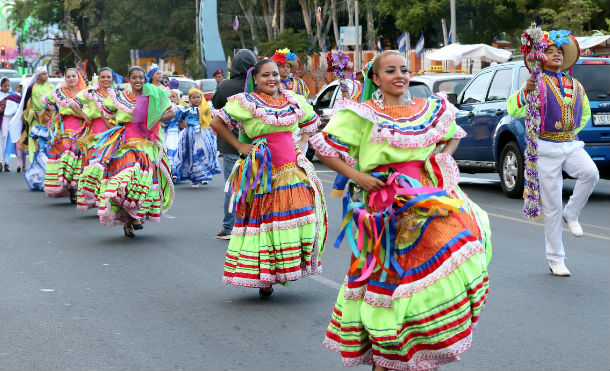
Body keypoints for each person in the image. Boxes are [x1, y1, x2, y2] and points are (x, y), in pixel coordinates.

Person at [310, 51, 491, 371]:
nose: (399, 75)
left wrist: (439, 160)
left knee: (453, 255)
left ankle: (420, 347)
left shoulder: (426, 109)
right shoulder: (361, 114)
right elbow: (324, 146)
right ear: (376, 79)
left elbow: (451, 136)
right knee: (391, 284)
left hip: (428, 202)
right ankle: (388, 355)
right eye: (390, 70)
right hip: (386, 211)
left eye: (404, 70)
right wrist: (359, 177)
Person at [210, 58, 327, 299]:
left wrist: (302, 143)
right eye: (265, 75)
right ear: (255, 78)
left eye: (275, 74)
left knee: (299, 218)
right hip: (261, 174)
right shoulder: (246, 102)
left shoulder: (293, 100)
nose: (272, 79)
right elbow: (216, 122)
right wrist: (240, 148)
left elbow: (310, 123)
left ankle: (285, 269)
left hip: (292, 170)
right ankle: (265, 279)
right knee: (265, 225)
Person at [507, 30, 598, 277]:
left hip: (570, 143)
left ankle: (573, 212)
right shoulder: (534, 82)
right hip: (545, 148)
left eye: (559, 52)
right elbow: (513, 109)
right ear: (541, 57)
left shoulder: (576, 85)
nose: (556, 55)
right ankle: (556, 259)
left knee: (591, 173)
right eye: (550, 51)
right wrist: (526, 92)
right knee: (552, 207)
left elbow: (586, 114)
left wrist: (567, 132)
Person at [95, 66, 175, 238]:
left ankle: (134, 218)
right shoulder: (119, 97)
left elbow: (171, 113)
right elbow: (105, 112)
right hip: (126, 142)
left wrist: (154, 117)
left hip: (147, 142)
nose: (138, 80)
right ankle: (130, 219)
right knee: (127, 177)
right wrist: (114, 129)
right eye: (134, 78)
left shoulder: (153, 94)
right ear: (128, 79)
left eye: (141, 77)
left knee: (143, 179)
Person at [212, 48, 257, 240]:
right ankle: (256, 225)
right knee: (258, 186)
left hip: (231, 144)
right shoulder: (261, 83)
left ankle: (229, 227)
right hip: (257, 144)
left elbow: (216, 104)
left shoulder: (225, 86)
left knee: (233, 186)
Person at [41, 68, 89, 202]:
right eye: (68, 76)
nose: (71, 78)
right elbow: (47, 103)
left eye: (74, 76)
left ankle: (77, 186)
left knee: (80, 157)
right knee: (68, 155)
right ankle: (71, 187)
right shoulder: (59, 92)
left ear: (78, 77)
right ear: (65, 78)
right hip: (66, 127)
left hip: (82, 128)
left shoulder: (85, 92)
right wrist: (53, 115)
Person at [74, 67, 118, 210]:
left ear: (112, 79)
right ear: (98, 79)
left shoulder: (117, 94)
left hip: (113, 132)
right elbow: (73, 103)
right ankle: (93, 196)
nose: (106, 80)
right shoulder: (91, 93)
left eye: (108, 77)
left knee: (110, 166)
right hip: (96, 133)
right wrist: (85, 116)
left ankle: (104, 199)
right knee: (95, 164)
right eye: (103, 77)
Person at [172, 88, 221, 187]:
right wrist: (181, 124)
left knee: (204, 153)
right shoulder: (185, 109)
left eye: (198, 97)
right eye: (193, 97)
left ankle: (203, 175)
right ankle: (194, 178)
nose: (196, 99)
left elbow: (215, 117)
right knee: (190, 155)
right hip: (189, 134)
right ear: (189, 99)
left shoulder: (206, 108)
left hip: (204, 134)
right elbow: (177, 117)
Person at [12, 67, 54, 167]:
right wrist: (32, 112)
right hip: (35, 119)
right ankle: (34, 165)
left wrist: (51, 113)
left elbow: (55, 103)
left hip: (48, 120)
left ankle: (47, 166)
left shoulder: (51, 86)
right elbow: (26, 106)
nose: (46, 76)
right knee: (34, 143)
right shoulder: (32, 87)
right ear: (38, 76)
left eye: (47, 73)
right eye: (43, 74)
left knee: (47, 143)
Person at [162, 88, 186, 164]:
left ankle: (173, 169)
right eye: (169, 97)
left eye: (173, 97)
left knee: (173, 149)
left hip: (174, 134)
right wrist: (160, 124)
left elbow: (183, 123)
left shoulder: (180, 109)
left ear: (177, 98)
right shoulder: (162, 109)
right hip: (162, 133)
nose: (171, 98)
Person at [0, 78, 19, 171]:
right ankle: (0, 162)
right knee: (1, 140)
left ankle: (7, 162)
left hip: (11, 120)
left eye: (8, 85)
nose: (7, 88)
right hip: (2, 120)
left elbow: (19, 107)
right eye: (4, 86)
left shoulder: (14, 95)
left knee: (9, 141)